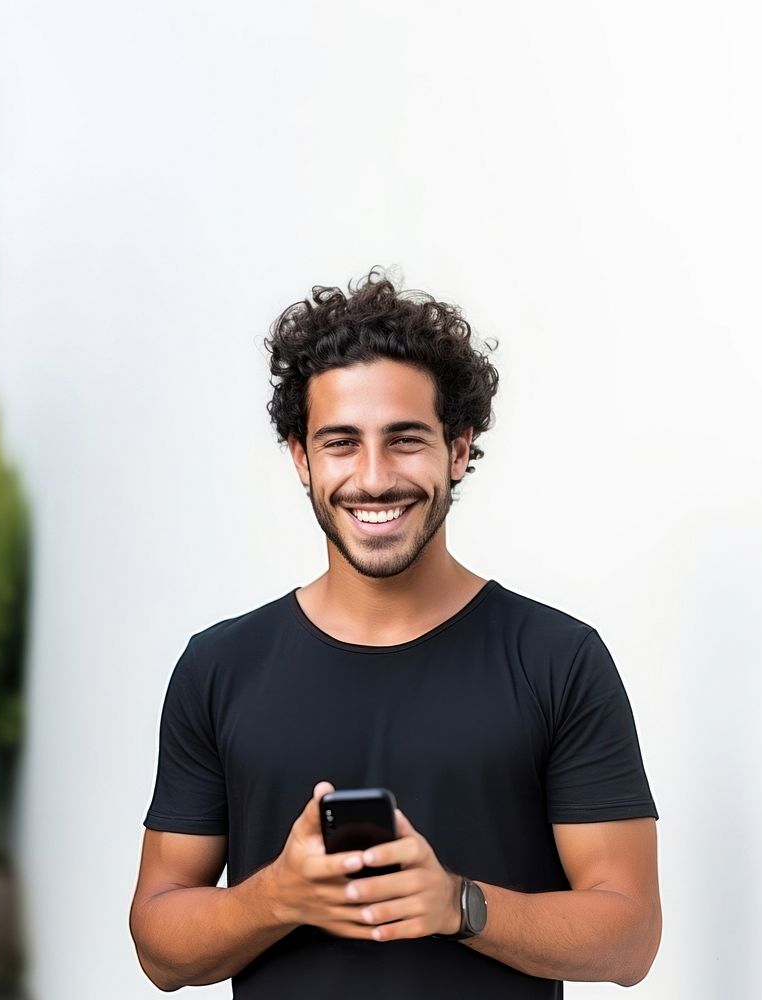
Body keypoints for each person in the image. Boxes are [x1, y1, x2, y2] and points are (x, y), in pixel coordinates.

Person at [129, 269, 661, 998]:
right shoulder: (220, 668)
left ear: (459, 447)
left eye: (405, 439)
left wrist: (458, 906)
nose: (374, 478)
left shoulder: (557, 660)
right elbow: (160, 947)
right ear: (300, 458)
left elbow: (630, 936)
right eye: (341, 442)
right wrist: (277, 898)